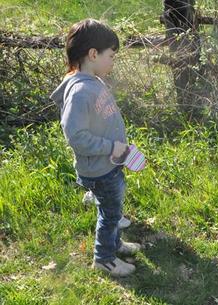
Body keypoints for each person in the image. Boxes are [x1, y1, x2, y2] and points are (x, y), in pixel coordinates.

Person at [50, 19, 140, 277]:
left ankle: (115, 244)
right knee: (110, 213)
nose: (113, 61)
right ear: (93, 54)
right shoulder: (80, 90)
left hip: (110, 162)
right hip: (99, 168)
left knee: (114, 207)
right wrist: (112, 146)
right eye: (111, 55)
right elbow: (76, 136)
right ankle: (104, 259)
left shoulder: (93, 80)